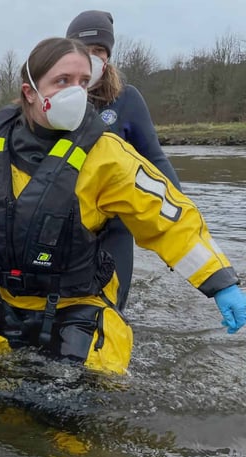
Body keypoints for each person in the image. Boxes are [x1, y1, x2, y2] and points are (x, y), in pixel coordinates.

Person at [0, 37, 246, 374]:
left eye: (84, 82)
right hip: (3, 306)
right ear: (30, 92)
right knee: (4, 414)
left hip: (76, 309)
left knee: (75, 416)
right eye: (63, 81)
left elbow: (168, 217)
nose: (77, 92)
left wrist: (220, 282)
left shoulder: (106, 155)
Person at [66, 10, 182, 311]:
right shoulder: (52, 98)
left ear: (108, 57)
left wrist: (179, 221)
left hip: (114, 224)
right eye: (83, 50)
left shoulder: (127, 99)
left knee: (111, 311)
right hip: (64, 221)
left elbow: (155, 158)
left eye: (99, 51)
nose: (91, 57)